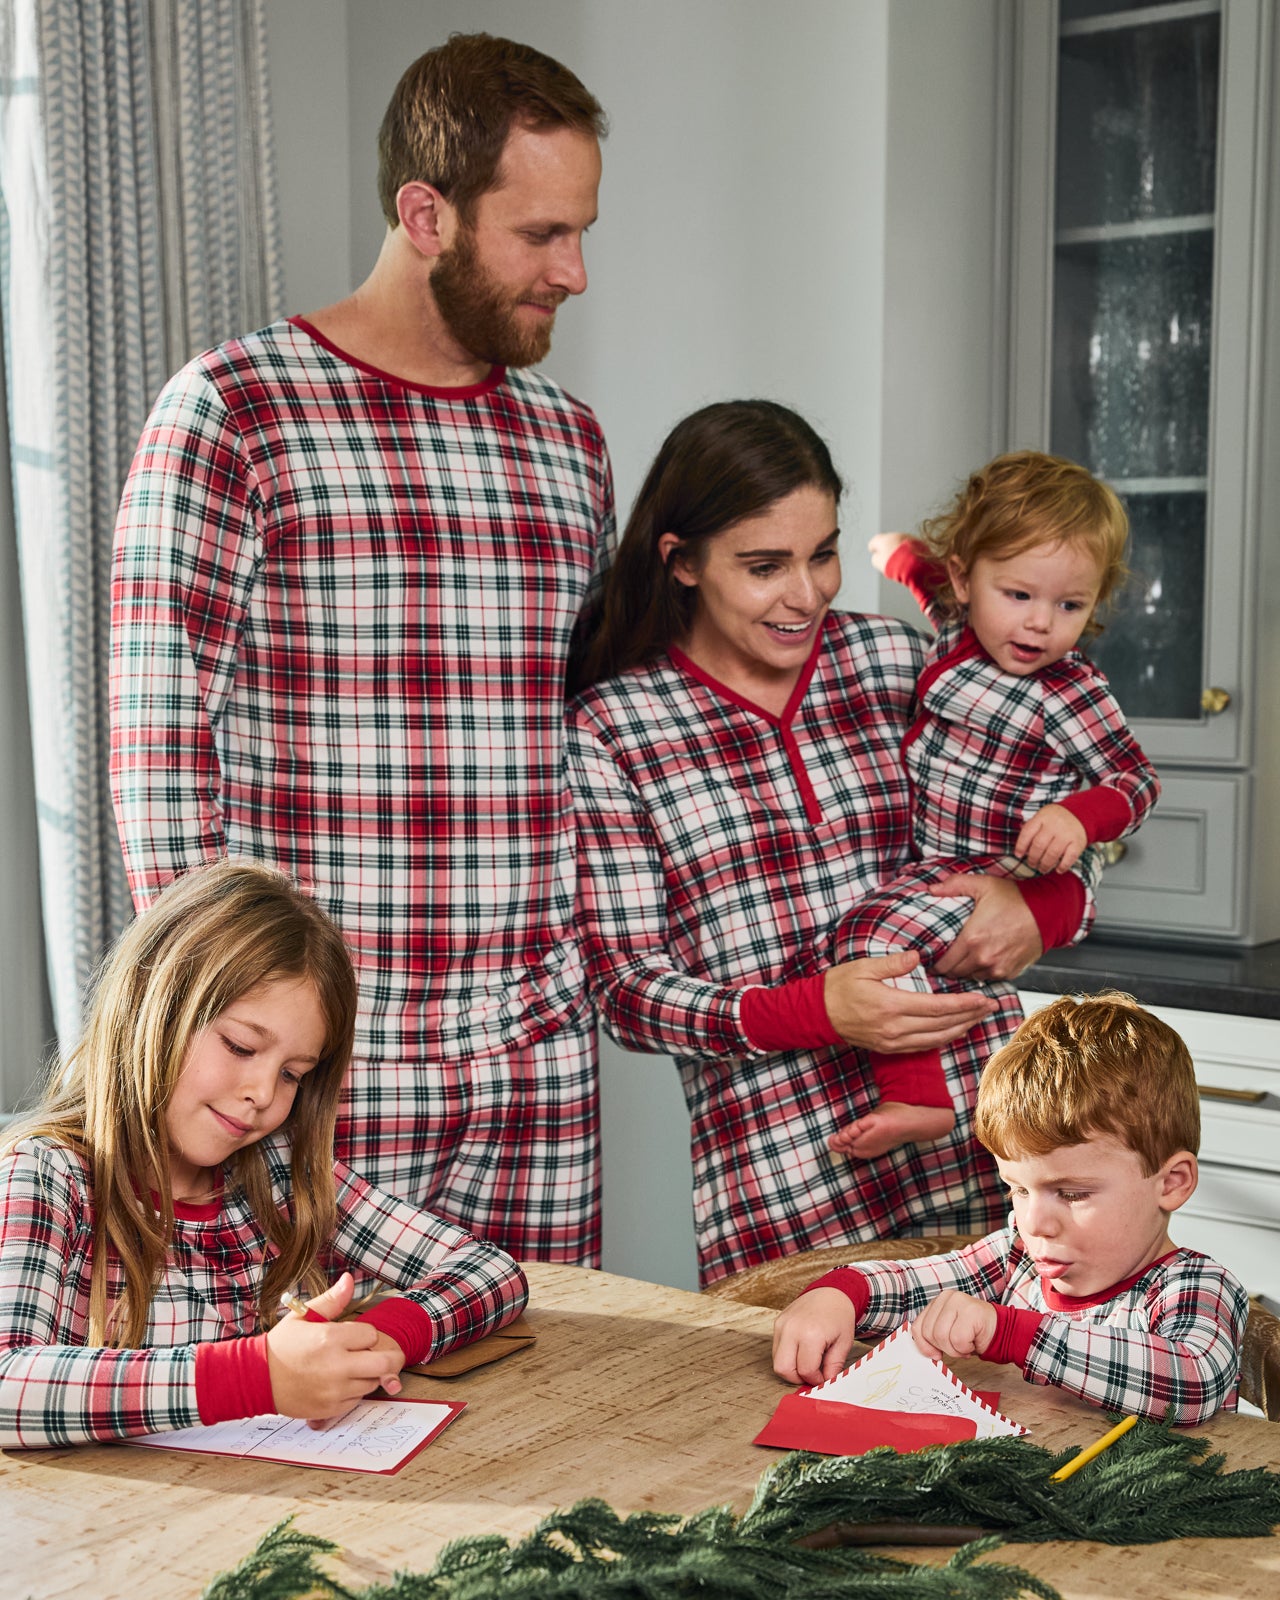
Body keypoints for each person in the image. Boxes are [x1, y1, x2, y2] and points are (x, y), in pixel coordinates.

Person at [109, 35, 614, 1264]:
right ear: (426, 213)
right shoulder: (235, 409)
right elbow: (158, 753)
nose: (577, 272)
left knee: (548, 1415)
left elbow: (600, 739)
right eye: (539, 234)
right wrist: (222, 1036)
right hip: (326, 1072)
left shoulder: (570, 443)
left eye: (581, 230)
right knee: (315, 1431)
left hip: (535, 1060)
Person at [567, 401, 1095, 1286]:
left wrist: (1041, 909)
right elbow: (624, 992)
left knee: (1022, 1417)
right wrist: (818, 1011)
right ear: (682, 562)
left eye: (823, 554)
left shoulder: (900, 663)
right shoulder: (615, 729)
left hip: (992, 1144)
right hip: (787, 1183)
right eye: (765, 566)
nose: (807, 592)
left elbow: (1063, 824)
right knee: (815, 1424)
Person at [0, 861, 528, 1450]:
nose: (263, 1095)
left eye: (293, 1074)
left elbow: (490, 1271)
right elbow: (5, 1383)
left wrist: (376, 1341)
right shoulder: (51, 1174)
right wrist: (259, 1376)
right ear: (155, 1004)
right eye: (241, 1046)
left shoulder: (277, 1178)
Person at [827, 451, 1159, 1163]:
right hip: (942, 864)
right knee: (886, 948)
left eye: (1070, 606)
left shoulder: (1068, 690)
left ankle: (917, 1099)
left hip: (1017, 877)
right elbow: (926, 579)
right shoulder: (959, 631)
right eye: (1019, 596)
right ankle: (941, 1096)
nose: (1040, 625)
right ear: (965, 579)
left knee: (868, 936)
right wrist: (899, 554)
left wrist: (1079, 817)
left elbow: (1134, 779)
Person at [772, 993, 1247, 1427]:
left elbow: (1193, 1380)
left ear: (1171, 1183)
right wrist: (841, 1294)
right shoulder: (1015, 1258)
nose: (1034, 1223)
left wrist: (1011, 1334)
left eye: (1073, 1194)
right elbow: (912, 1285)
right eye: (1018, 1190)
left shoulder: (1195, 1285)